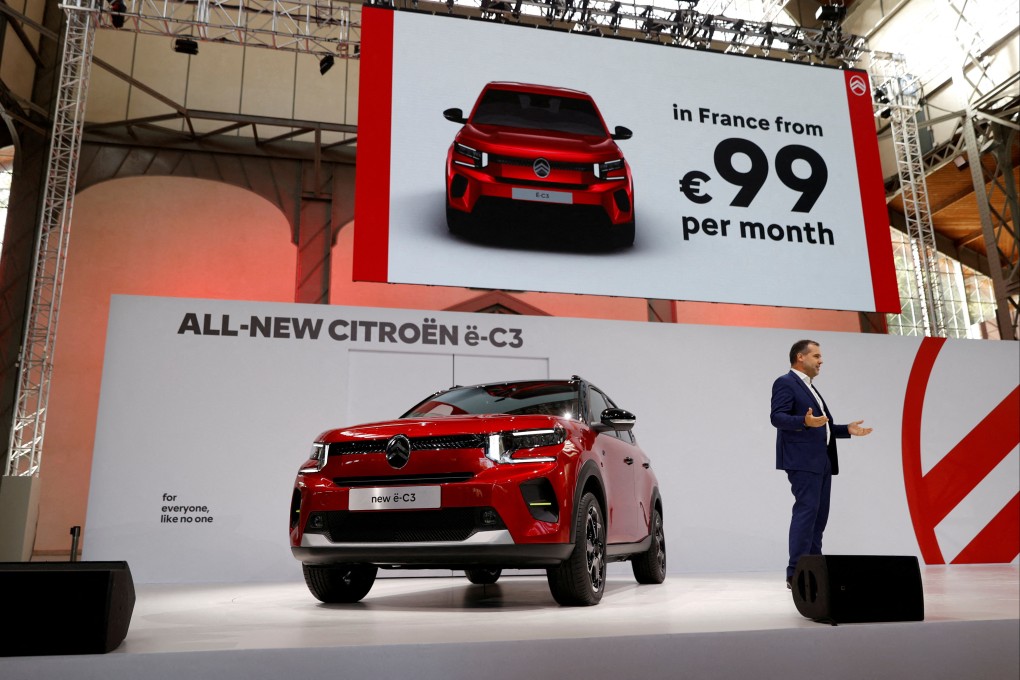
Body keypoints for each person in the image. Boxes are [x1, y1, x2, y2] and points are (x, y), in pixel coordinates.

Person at [771, 339, 872, 588]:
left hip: (822, 461)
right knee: (806, 513)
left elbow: (821, 424)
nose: (821, 361)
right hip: (803, 460)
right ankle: (795, 572)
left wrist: (846, 429)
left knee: (818, 518)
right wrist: (804, 422)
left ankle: (813, 569)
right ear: (800, 357)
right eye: (816, 356)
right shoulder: (786, 382)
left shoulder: (810, 387)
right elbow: (777, 417)